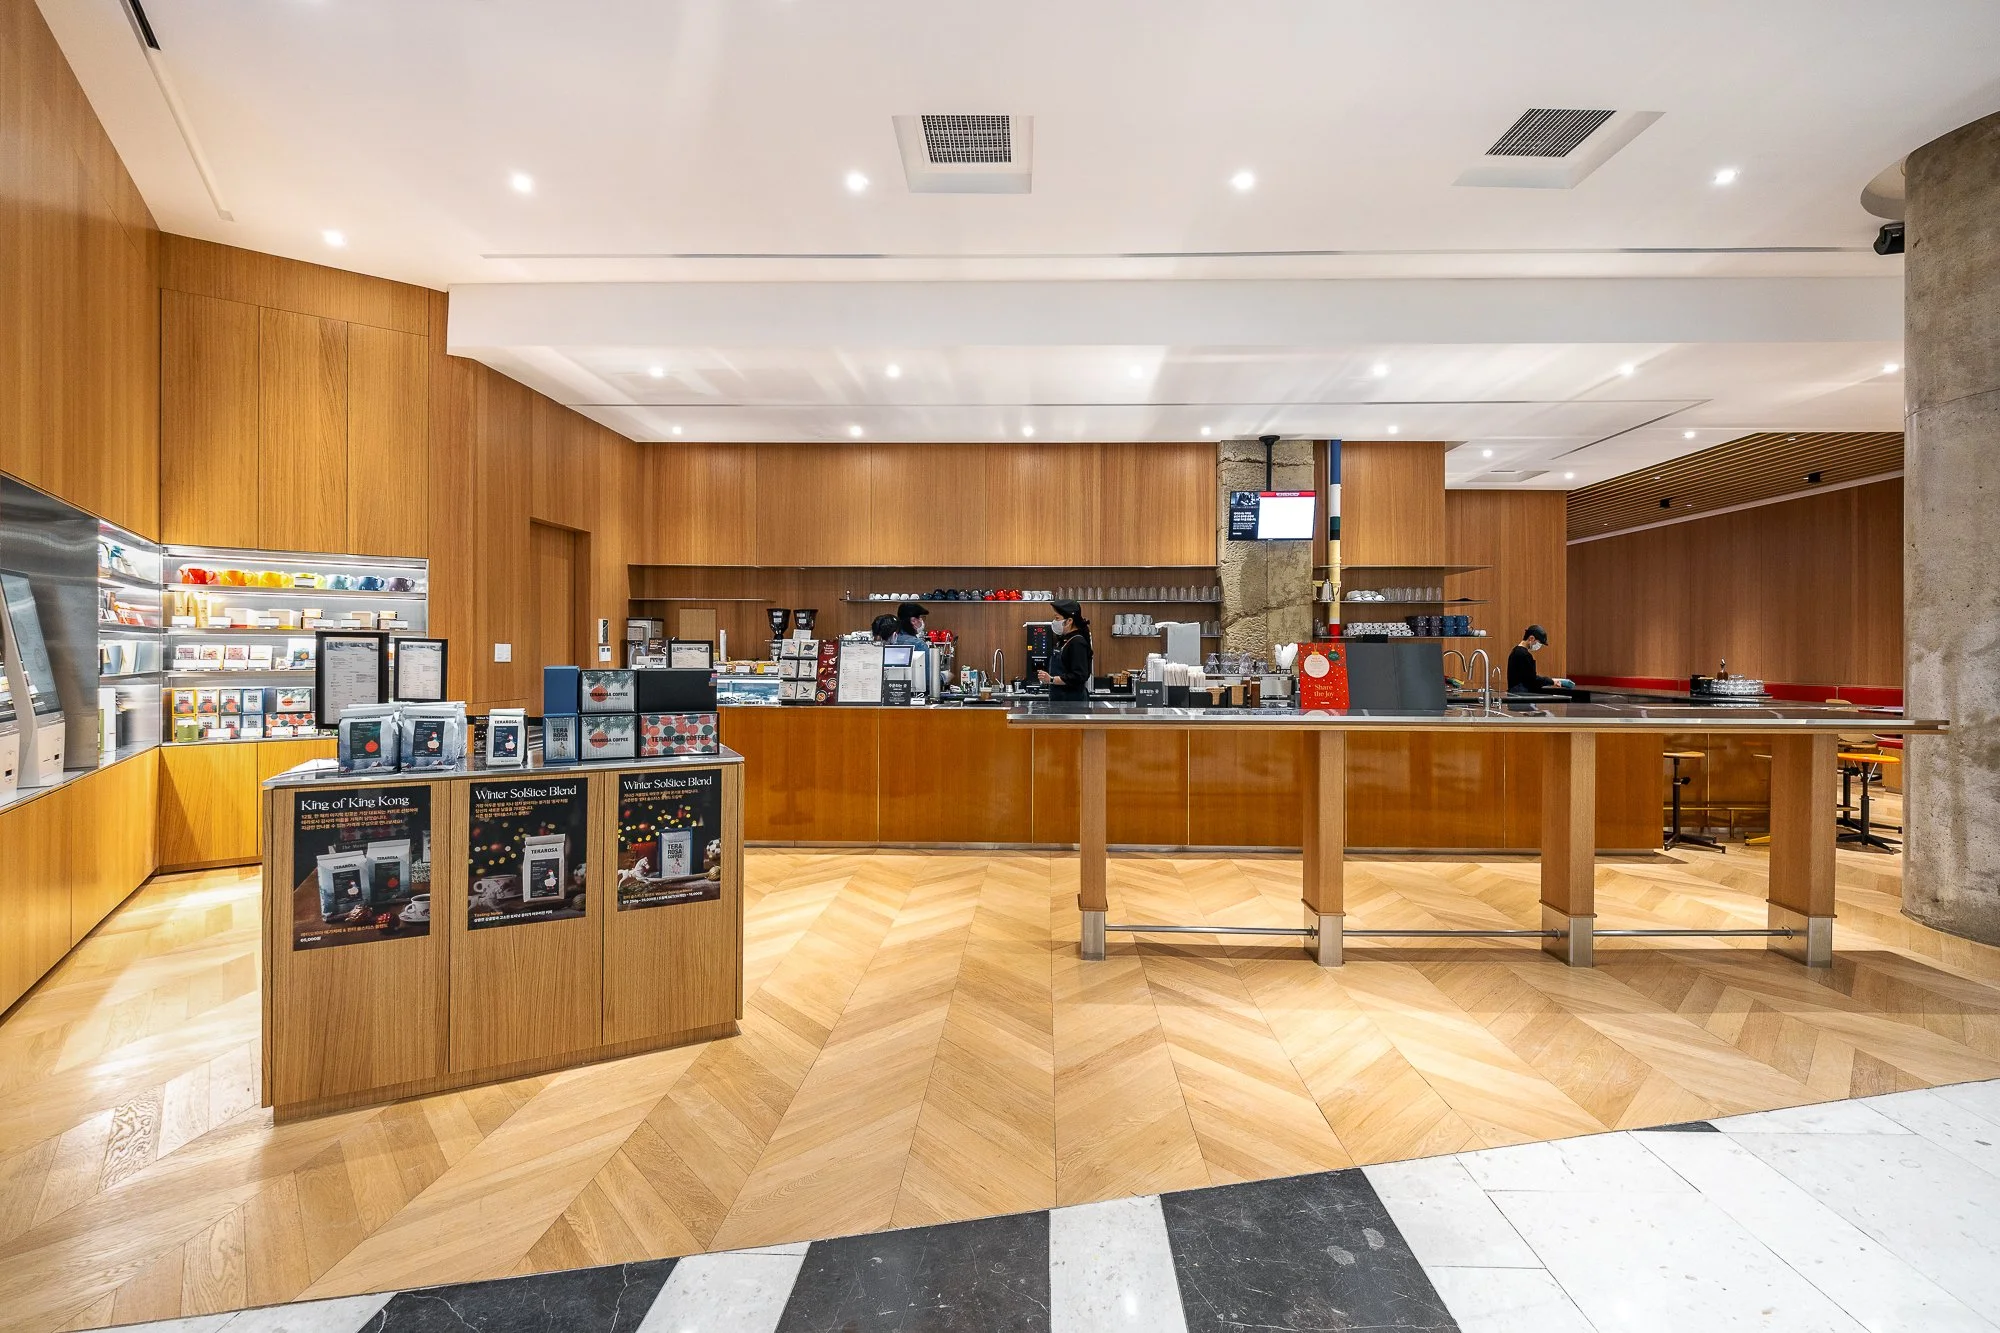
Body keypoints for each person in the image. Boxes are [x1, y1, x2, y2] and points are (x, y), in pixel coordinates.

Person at [1036, 600, 1094, 701]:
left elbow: (1079, 676)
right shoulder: (1064, 641)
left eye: (1057, 618)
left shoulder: (1077, 642)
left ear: (1069, 621)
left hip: (1072, 702)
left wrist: (1051, 679)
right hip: (1061, 701)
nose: (1054, 622)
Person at [1506, 624, 1575, 694]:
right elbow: (1532, 680)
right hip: (1522, 694)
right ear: (1531, 638)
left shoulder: (1515, 651)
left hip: (1515, 693)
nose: (1539, 646)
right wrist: (1551, 681)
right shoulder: (1524, 654)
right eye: (1539, 643)